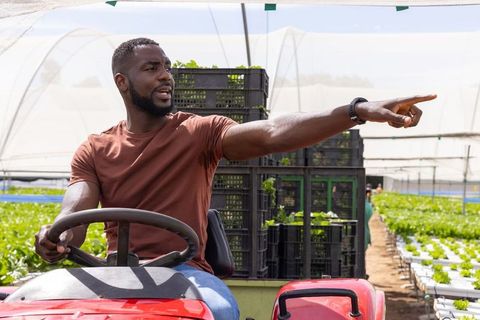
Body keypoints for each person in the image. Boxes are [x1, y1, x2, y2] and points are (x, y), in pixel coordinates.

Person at [34, 37, 436, 320]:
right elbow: (76, 211)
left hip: (182, 270)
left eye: (168, 68)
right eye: (152, 68)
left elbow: (274, 132)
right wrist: (59, 237)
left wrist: (356, 110)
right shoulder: (95, 148)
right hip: (114, 272)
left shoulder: (197, 132)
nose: (166, 76)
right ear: (122, 82)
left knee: (220, 309)